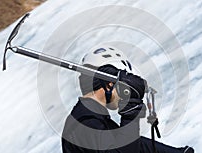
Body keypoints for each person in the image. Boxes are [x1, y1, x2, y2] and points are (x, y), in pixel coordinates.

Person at [61, 45, 194, 153]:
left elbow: (135, 145)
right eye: (125, 86)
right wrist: (130, 115)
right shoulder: (85, 123)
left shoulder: (91, 118)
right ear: (109, 84)